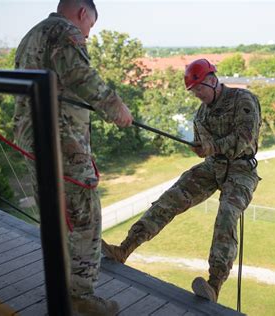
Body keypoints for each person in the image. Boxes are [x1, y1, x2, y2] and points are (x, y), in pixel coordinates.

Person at [102, 58, 261, 303]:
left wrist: (212, 146)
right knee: (169, 200)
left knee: (227, 215)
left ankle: (214, 285)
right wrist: (202, 149)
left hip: (241, 170)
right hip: (212, 167)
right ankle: (124, 249)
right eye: (193, 91)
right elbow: (205, 147)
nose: (197, 94)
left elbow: (245, 138)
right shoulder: (201, 115)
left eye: (199, 88)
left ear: (212, 80)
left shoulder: (243, 100)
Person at [13, 0, 132, 314]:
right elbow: (81, 75)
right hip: (61, 140)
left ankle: (60, 288)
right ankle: (80, 297)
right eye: (90, 26)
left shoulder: (32, 34)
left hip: (32, 139)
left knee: (55, 218)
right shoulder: (65, 30)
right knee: (84, 218)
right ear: (82, 14)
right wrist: (115, 106)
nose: (88, 34)